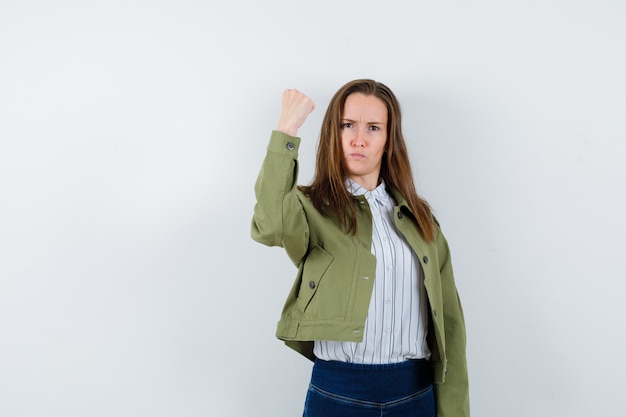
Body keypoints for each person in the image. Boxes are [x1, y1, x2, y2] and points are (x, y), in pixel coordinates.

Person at [251, 79, 469, 417]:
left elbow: (450, 325)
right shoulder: (310, 207)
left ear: (388, 140)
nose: (358, 139)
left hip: (413, 393)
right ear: (333, 134)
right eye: (347, 125)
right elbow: (269, 225)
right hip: (338, 394)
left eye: (373, 128)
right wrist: (287, 129)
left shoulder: (419, 218)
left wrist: (454, 411)